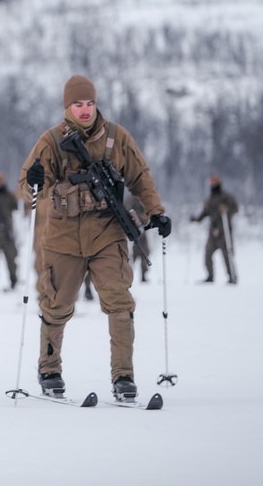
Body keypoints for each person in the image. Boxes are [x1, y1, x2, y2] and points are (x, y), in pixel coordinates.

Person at [19, 74, 171, 401]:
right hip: (62, 236)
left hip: (107, 232)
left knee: (119, 300)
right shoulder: (51, 140)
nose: (85, 110)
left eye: (89, 103)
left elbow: (140, 176)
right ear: (67, 106)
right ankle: (49, 369)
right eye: (78, 104)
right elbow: (27, 187)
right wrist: (33, 180)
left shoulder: (116, 137)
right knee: (56, 304)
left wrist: (156, 211)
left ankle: (123, 376)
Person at [190, 174, 239, 284]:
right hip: (213, 232)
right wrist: (196, 219)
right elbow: (205, 212)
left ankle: (232, 276)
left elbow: (235, 208)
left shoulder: (226, 196)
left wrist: (227, 209)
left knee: (227, 254)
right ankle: (210, 276)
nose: (212, 185)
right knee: (208, 253)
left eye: (214, 182)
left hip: (224, 231)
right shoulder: (210, 199)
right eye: (211, 183)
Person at [124, 193, 151, 282]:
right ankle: (127, 274)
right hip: (133, 229)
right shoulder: (131, 199)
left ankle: (143, 274)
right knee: (134, 255)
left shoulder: (144, 198)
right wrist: (138, 217)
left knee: (145, 252)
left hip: (142, 229)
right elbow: (127, 211)